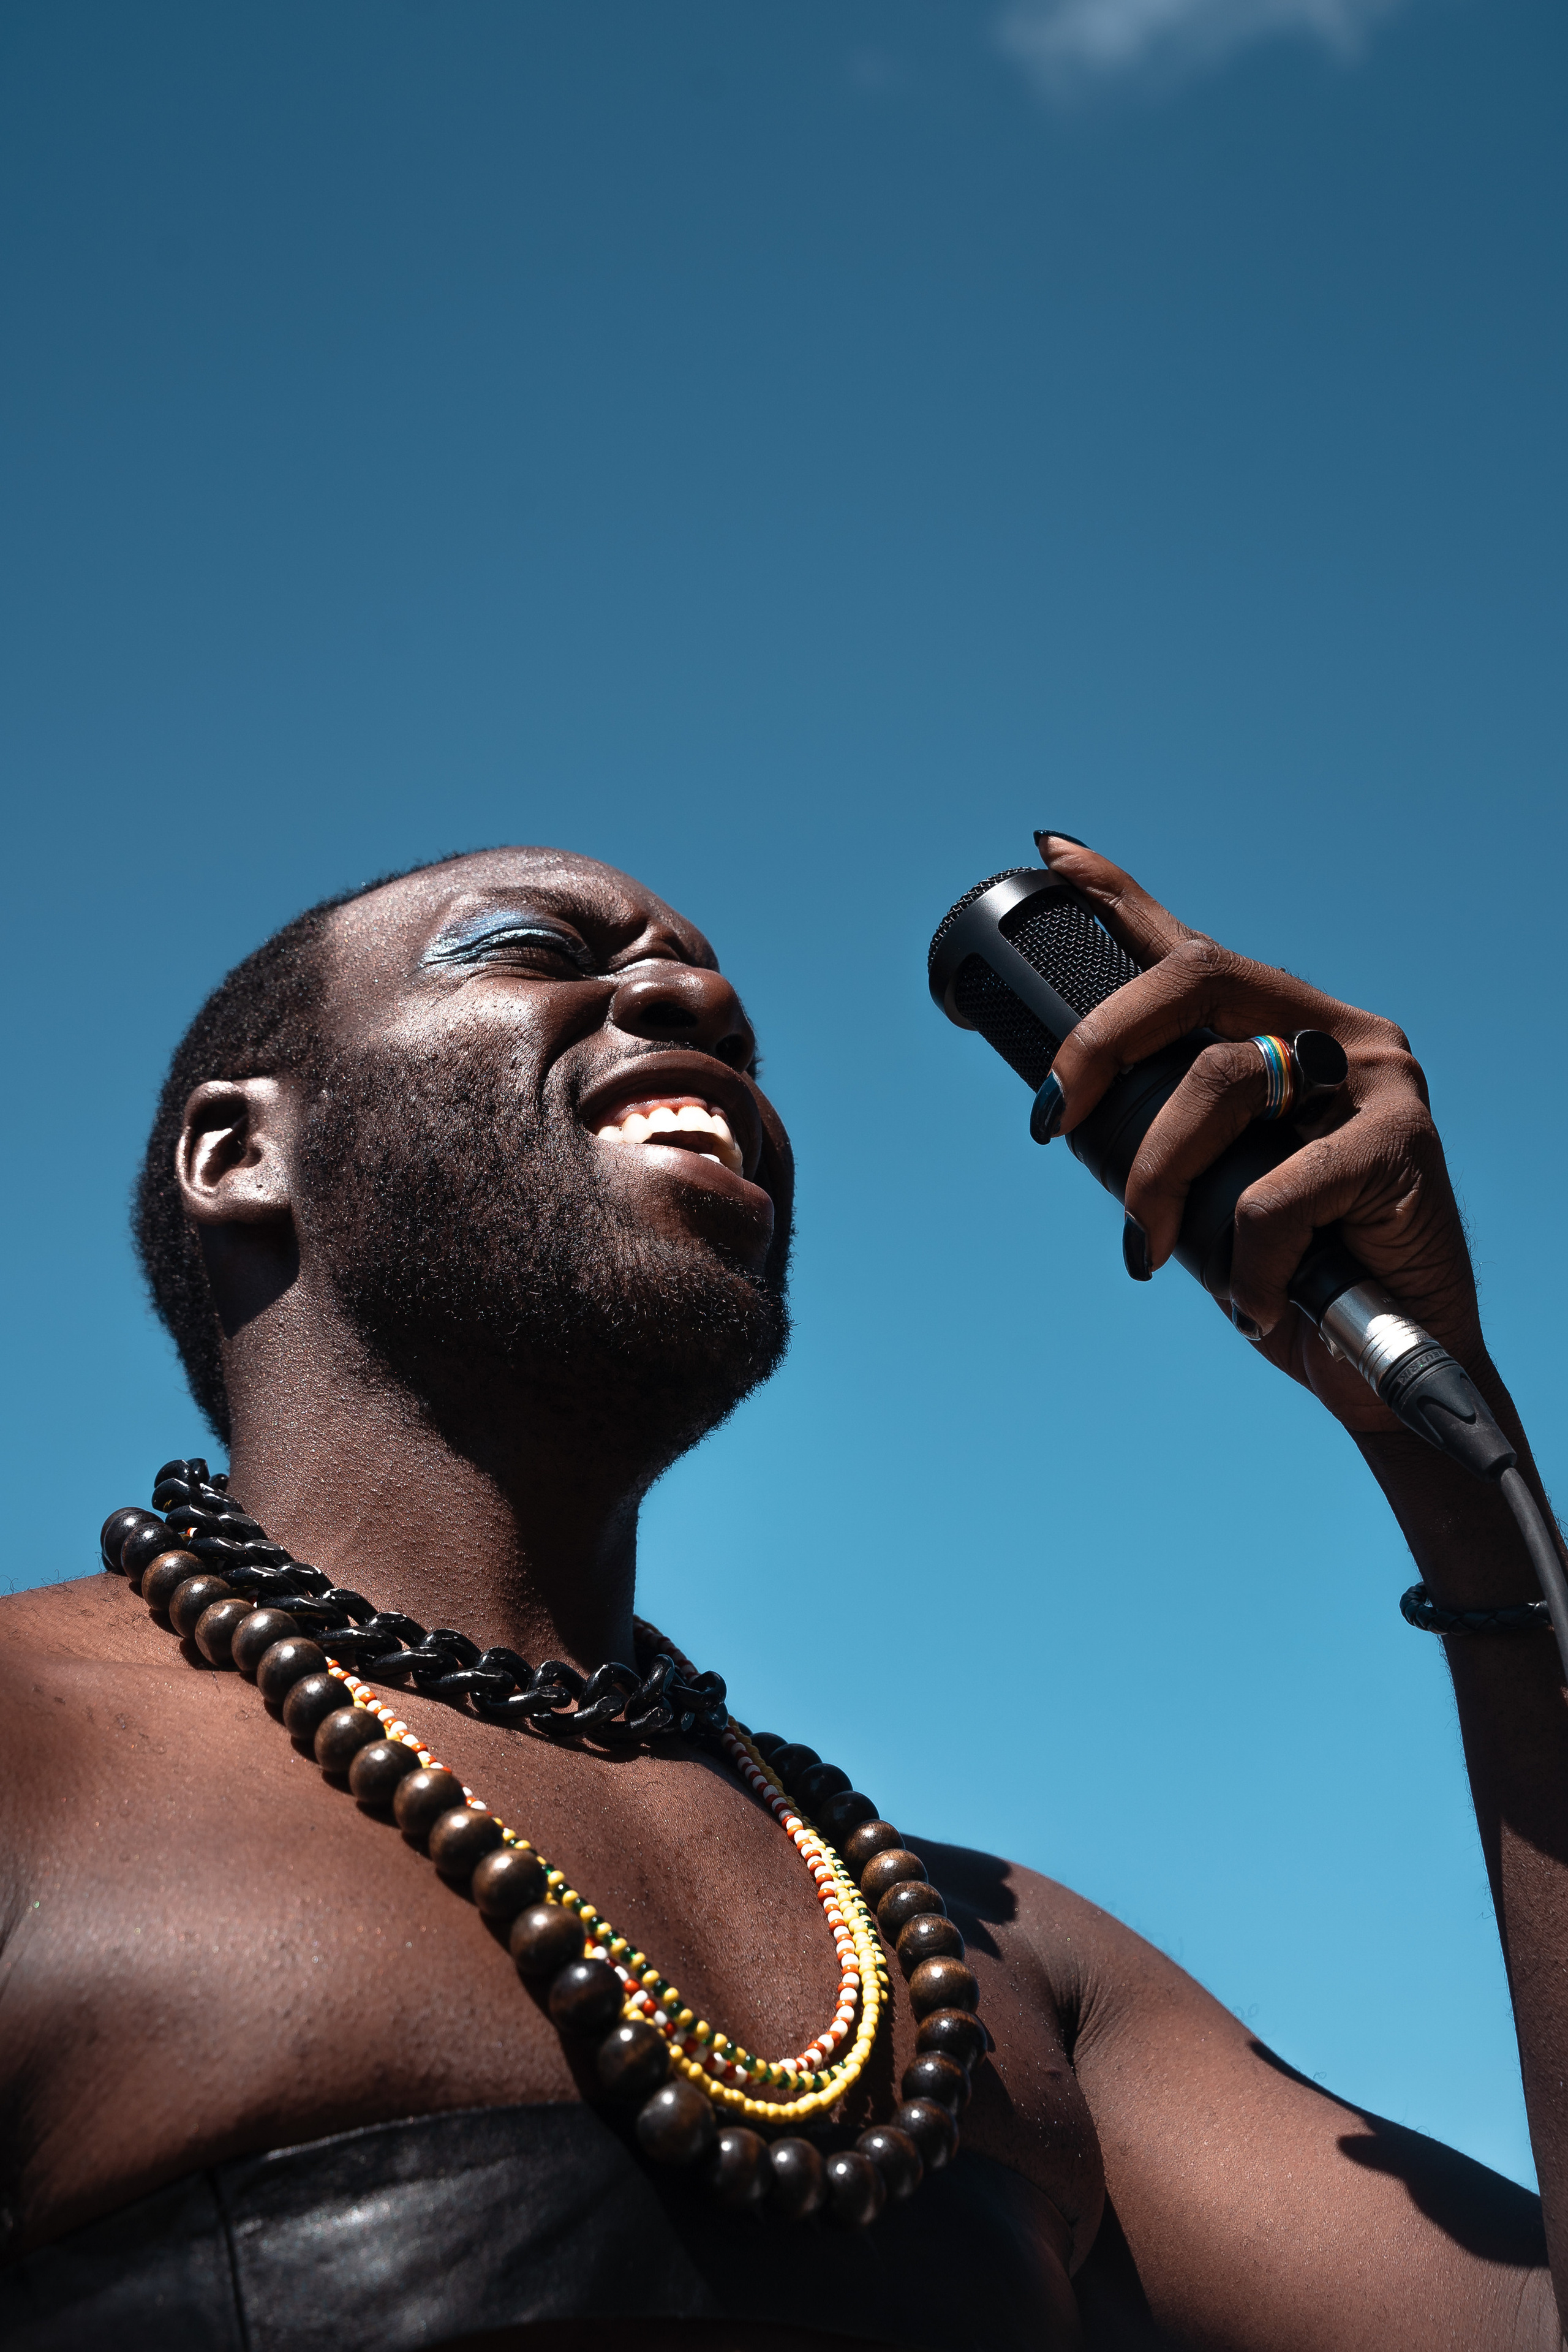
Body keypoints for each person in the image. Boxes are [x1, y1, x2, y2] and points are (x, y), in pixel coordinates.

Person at [1, 834, 1564, 2352]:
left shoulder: (985, 1965)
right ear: (239, 1153)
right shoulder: (38, 1751)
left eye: (730, 1020)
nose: (697, 1004)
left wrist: (1437, 1439)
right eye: (534, 950)